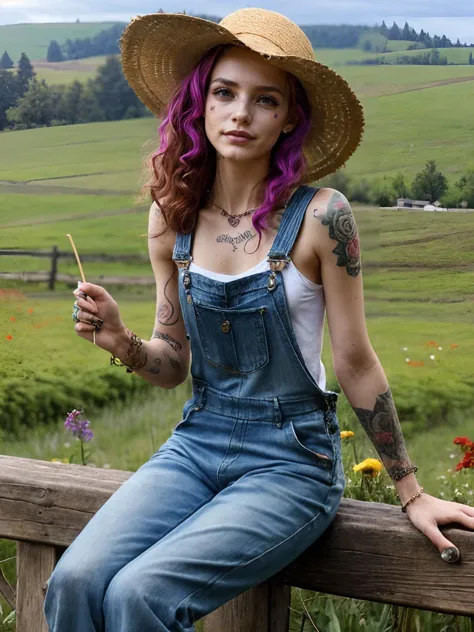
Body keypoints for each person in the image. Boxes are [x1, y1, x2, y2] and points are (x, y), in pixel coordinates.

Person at [44, 8, 473, 632]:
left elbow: (354, 361)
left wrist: (410, 491)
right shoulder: (173, 216)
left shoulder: (325, 218)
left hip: (292, 461)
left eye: (264, 99)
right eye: (225, 93)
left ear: (289, 116)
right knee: (77, 581)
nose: (241, 113)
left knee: (140, 595)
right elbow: (171, 364)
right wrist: (121, 341)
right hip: (197, 443)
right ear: (201, 103)